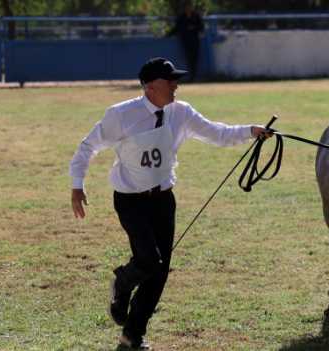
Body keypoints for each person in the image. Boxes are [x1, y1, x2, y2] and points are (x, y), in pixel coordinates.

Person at [69, 57, 271, 350]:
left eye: (177, 79)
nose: (176, 85)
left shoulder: (181, 112)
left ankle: (132, 335)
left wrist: (251, 131)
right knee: (149, 261)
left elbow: (217, 133)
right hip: (130, 201)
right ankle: (123, 282)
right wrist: (77, 185)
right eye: (170, 80)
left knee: (160, 271)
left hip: (164, 200)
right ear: (151, 87)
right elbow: (88, 146)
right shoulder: (121, 114)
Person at [170, 3, 204, 81]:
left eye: (190, 7)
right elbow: (177, 28)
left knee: (195, 58)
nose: (188, 9)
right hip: (185, 40)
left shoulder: (196, 16)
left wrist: (193, 27)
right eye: (187, 7)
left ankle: (194, 76)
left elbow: (201, 27)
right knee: (188, 57)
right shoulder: (181, 17)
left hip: (195, 40)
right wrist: (168, 35)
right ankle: (190, 76)